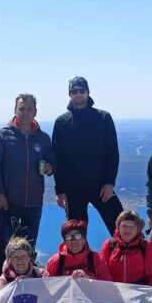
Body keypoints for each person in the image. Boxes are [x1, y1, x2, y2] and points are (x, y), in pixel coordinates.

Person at [0, 94, 57, 267]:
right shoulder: (3, 135)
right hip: (9, 202)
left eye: (29, 109)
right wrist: (0, 194)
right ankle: (0, 286)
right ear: (15, 110)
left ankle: (26, 287)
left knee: (28, 249)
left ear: (35, 111)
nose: (25, 113)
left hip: (34, 203)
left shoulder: (43, 138)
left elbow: (52, 160)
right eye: (21, 109)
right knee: (5, 248)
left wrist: (50, 167)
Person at [52, 76, 123, 235]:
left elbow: (112, 153)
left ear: (88, 92)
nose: (78, 94)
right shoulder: (61, 122)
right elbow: (58, 159)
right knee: (75, 235)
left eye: (81, 90)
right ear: (70, 94)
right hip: (73, 189)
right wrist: (60, 190)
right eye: (74, 91)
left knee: (121, 228)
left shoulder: (103, 118)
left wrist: (109, 182)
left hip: (100, 186)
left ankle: (126, 258)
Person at [99, 210, 152, 291]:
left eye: (132, 226)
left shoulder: (146, 246)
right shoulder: (109, 245)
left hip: (137, 292)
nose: (127, 230)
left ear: (137, 228)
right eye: (124, 226)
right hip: (114, 291)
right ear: (118, 227)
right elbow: (101, 272)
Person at [44, 219, 112, 280]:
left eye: (77, 236)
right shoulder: (54, 262)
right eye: (68, 237)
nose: (73, 241)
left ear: (84, 239)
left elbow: (108, 286)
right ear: (64, 241)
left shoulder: (97, 259)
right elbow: (47, 287)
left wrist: (88, 279)